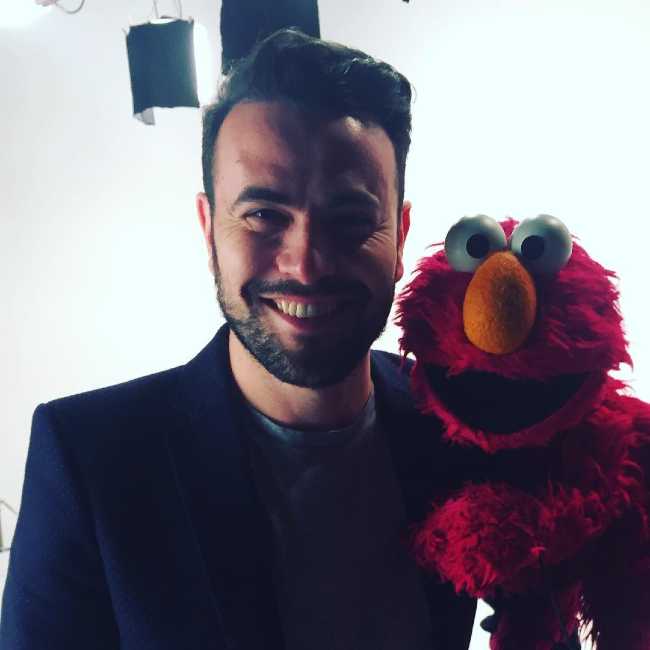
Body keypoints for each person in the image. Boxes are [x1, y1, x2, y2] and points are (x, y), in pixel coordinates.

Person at [0, 28, 476, 650]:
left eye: (352, 219)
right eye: (263, 214)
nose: (306, 265)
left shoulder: (459, 426)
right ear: (208, 230)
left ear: (400, 235)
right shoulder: (91, 460)